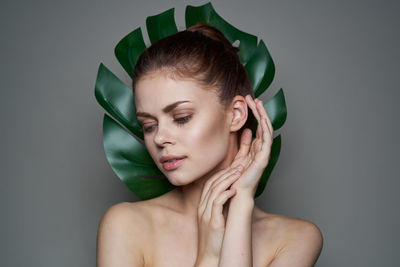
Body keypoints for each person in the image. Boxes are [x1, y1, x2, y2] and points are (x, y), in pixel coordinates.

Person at [96, 24, 323, 267]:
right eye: (149, 125)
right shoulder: (127, 226)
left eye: (181, 117)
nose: (160, 138)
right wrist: (208, 255)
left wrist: (240, 205)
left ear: (235, 114)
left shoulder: (295, 239)